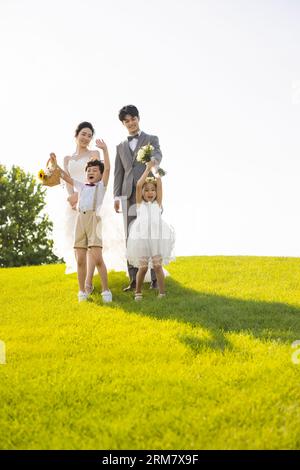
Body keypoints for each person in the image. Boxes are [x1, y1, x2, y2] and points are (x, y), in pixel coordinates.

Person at [50, 144, 113, 303]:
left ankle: (106, 290)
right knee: (80, 259)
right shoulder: (82, 185)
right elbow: (65, 176)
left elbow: (107, 169)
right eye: (89, 170)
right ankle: (82, 292)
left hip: (93, 221)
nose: (91, 172)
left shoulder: (101, 187)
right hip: (80, 221)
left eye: (95, 171)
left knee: (97, 258)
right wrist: (55, 164)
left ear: (99, 175)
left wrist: (105, 151)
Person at [114, 105, 162, 292]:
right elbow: (118, 172)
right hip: (127, 195)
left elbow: (158, 154)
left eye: (133, 119)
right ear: (123, 124)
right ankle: (133, 279)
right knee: (130, 236)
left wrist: (153, 162)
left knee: (151, 234)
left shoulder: (151, 139)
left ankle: (156, 278)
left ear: (138, 118)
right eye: (126, 121)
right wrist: (116, 196)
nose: (130, 123)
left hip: (148, 193)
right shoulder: (119, 146)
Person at [126, 161, 175, 301]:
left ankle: (162, 293)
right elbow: (139, 184)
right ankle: (138, 292)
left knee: (157, 266)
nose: (150, 192)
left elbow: (159, 183)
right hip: (141, 238)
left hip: (156, 238)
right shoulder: (140, 204)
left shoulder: (158, 204)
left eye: (152, 190)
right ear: (142, 193)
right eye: (146, 190)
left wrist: (154, 167)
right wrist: (147, 169)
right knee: (143, 268)